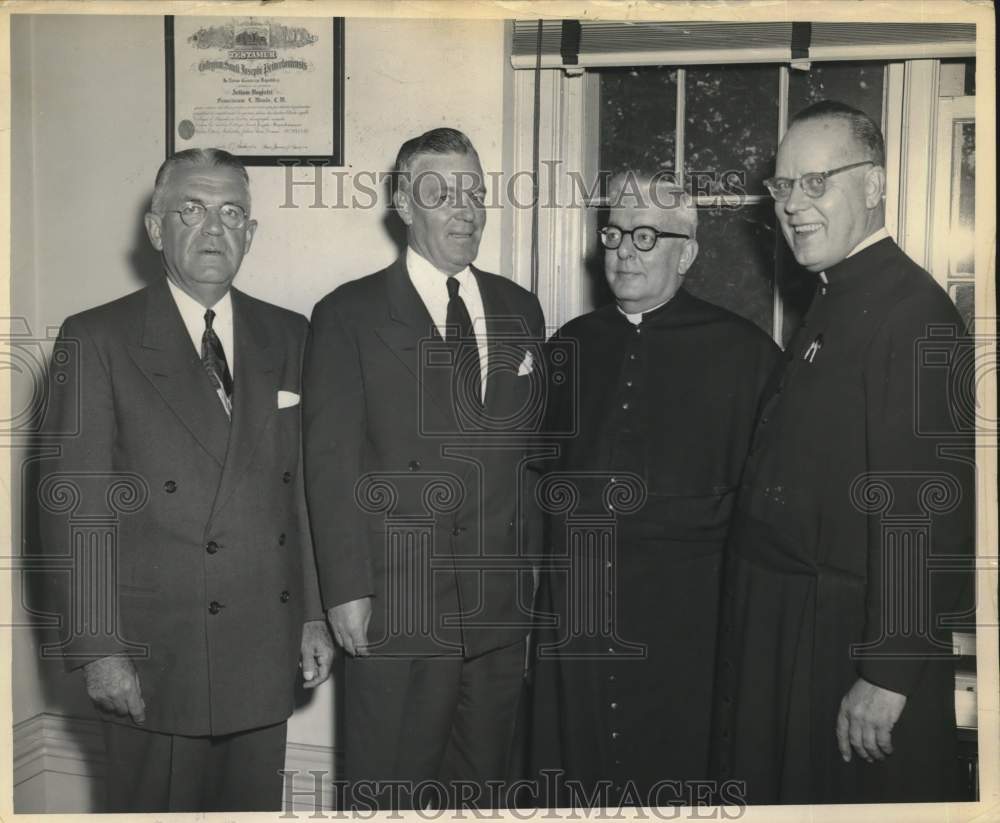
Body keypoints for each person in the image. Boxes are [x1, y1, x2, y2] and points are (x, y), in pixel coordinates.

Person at [38, 148, 334, 812]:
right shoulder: (98, 338)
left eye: (232, 213)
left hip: (262, 644)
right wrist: (99, 649)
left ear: (251, 233)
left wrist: (313, 613)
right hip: (155, 656)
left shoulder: (289, 334)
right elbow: (76, 510)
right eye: (192, 210)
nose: (214, 229)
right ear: (154, 227)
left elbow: (303, 495)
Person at [710, 101, 975, 804]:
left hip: (846, 646)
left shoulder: (913, 313)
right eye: (783, 186)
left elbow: (926, 513)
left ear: (876, 186)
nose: (794, 205)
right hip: (796, 628)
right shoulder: (835, 298)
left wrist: (888, 672)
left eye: (816, 182)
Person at [303, 127, 546, 810]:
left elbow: (527, 464)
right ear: (404, 204)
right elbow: (329, 461)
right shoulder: (347, 314)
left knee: (485, 794)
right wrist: (345, 588)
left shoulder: (520, 307)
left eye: (475, 192)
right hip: (398, 605)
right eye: (443, 193)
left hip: (498, 616)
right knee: (389, 793)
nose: (465, 209)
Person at [530, 173, 780, 807]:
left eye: (647, 236)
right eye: (614, 233)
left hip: (686, 629)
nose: (625, 251)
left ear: (687, 253)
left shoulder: (745, 352)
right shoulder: (572, 346)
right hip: (579, 626)